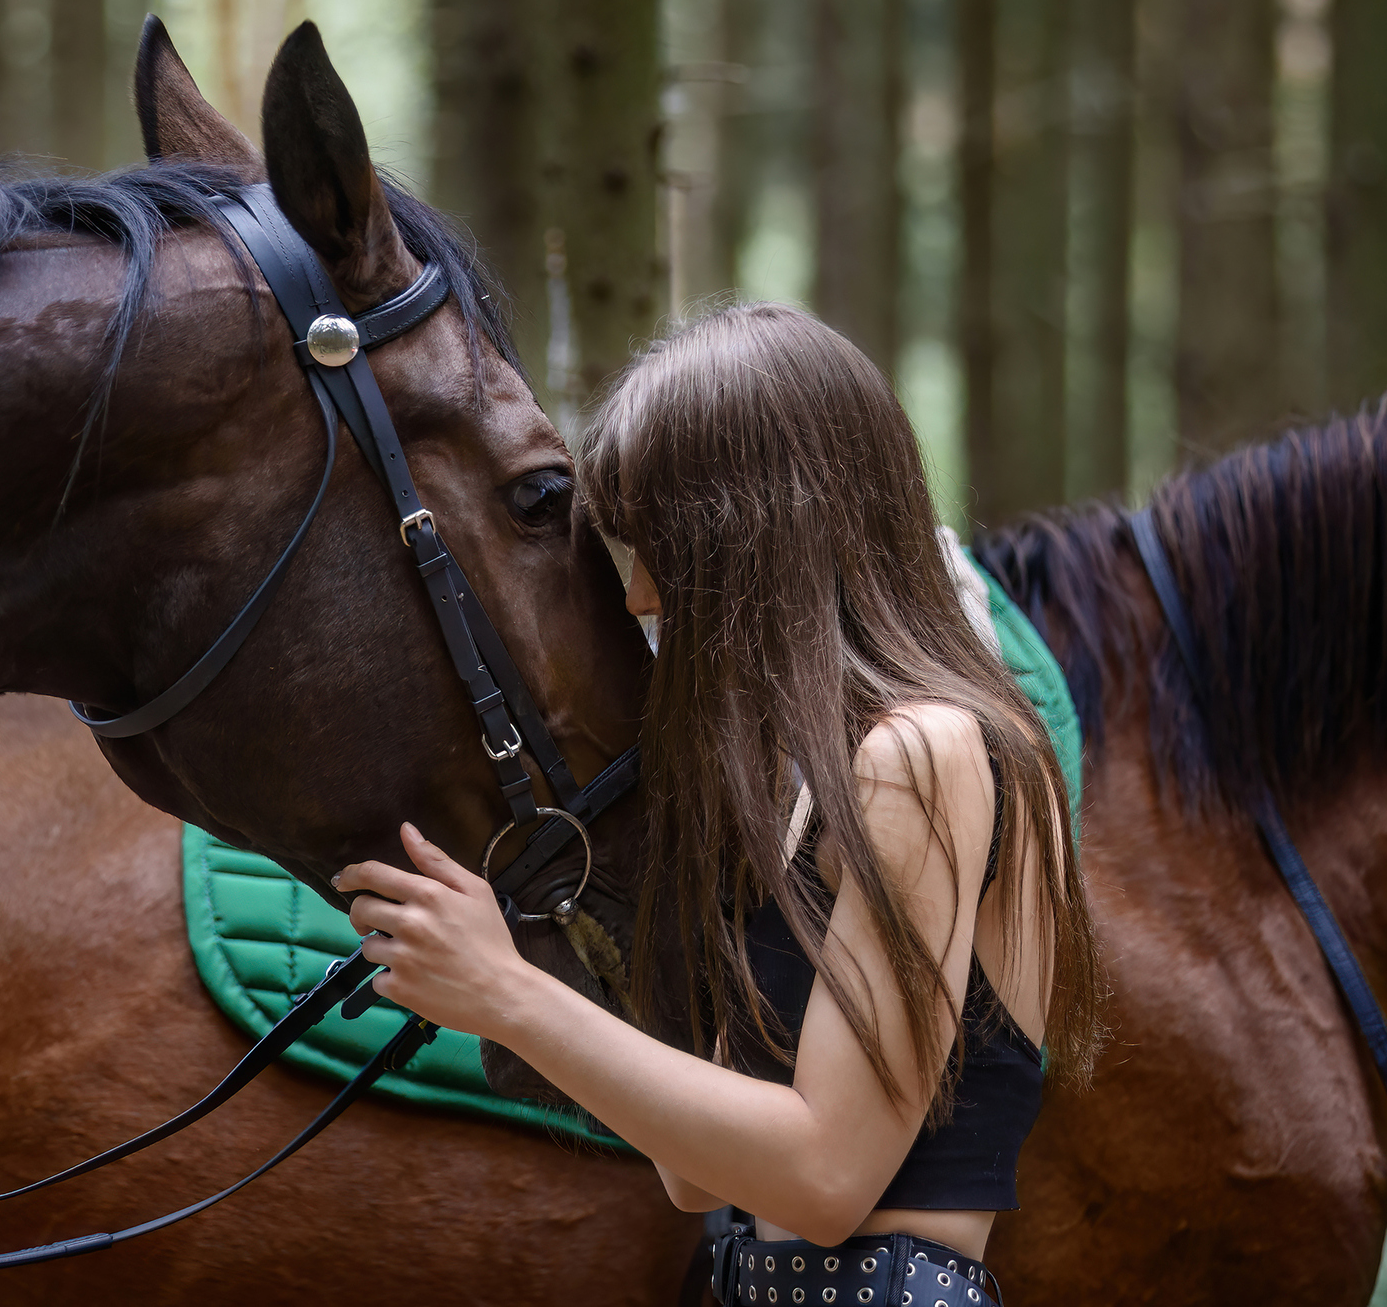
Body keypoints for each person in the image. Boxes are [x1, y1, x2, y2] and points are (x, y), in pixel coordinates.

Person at [330, 303, 1103, 1307]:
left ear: (760, 542)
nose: (643, 597)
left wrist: (507, 995)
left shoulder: (923, 751)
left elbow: (826, 1178)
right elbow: (693, 1174)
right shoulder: (797, 797)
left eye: (663, 552)